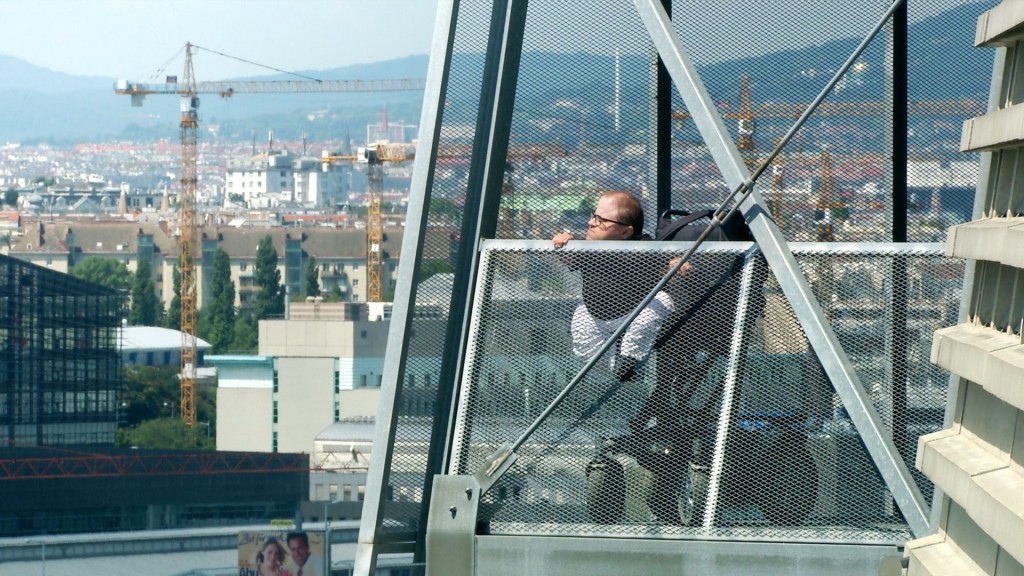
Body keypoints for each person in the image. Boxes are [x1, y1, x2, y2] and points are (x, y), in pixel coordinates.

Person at [552, 190, 688, 381]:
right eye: (594, 216)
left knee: (661, 301)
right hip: (596, 314)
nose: (590, 223)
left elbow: (668, 261)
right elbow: (568, 258)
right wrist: (563, 244)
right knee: (581, 322)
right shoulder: (588, 248)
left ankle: (631, 361)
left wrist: (678, 264)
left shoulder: (645, 248)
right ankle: (612, 376)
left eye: (601, 220)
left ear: (626, 232)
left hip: (634, 313)